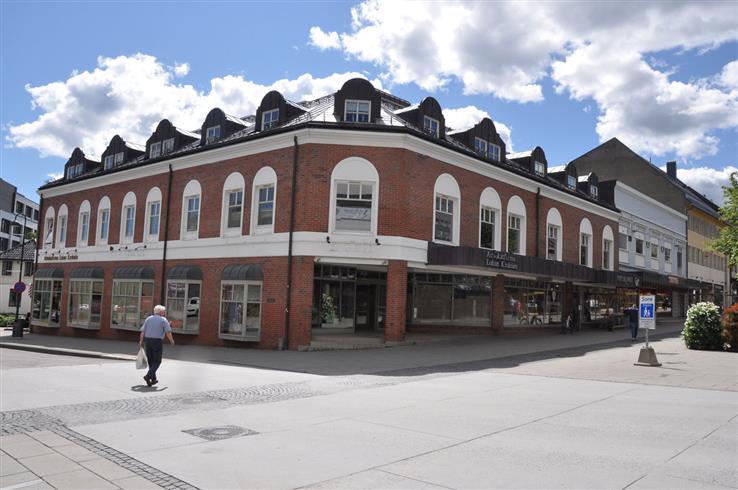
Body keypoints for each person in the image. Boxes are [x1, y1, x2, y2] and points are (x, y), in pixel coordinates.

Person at [139, 305, 175, 386]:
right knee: (157, 361)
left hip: (148, 341)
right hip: (157, 341)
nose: (164, 313)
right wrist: (171, 341)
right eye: (164, 311)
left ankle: (153, 379)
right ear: (161, 312)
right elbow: (168, 332)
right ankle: (148, 376)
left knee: (151, 361)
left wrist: (141, 341)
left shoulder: (148, 319)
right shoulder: (163, 320)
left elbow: (143, 331)